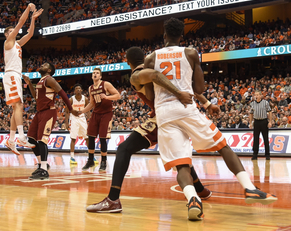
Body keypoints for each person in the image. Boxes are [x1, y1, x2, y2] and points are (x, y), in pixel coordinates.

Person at [144, 17, 277, 221]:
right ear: (182, 35)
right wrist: (202, 100)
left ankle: (193, 200)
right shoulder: (189, 53)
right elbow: (199, 89)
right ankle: (249, 188)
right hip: (186, 108)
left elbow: (151, 97)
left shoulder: (150, 58)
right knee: (222, 146)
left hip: (164, 113)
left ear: (163, 35)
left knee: (181, 164)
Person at [86, 47, 213, 213]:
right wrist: (207, 104)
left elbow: (154, 86)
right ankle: (201, 190)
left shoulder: (138, 75)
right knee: (180, 156)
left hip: (162, 116)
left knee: (124, 149)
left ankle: (113, 199)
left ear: (127, 62)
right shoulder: (157, 68)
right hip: (179, 114)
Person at [23, 62, 79, 180]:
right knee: (31, 139)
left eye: (45, 65)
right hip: (39, 113)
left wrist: (70, 109)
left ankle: (44, 171)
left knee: (42, 140)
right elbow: (35, 96)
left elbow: (62, 93)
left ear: (49, 70)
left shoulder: (50, 79)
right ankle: (41, 165)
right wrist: (29, 84)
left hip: (48, 112)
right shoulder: (40, 81)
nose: (42, 65)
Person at [3, 3, 43, 155]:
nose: (15, 31)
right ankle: (21, 137)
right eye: (12, 31)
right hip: (11, 74)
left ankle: (11, 140)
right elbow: (20, 23)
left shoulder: (18, 44)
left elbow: (30, 34)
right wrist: (27, 8)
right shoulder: (8, 42)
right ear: (7, 34)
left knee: (16, 108)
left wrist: (32, 19)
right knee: (18, 105)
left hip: (16, 76)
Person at [80, 68, 121, 171]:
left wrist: (107, 97)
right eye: (93, 73)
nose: (95, 74)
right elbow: (92, 103)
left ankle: (103, 161)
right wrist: (82, 111)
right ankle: (90, 161)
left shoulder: (106, 84)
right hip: (96, 113)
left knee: (103, 138)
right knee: (91, 136)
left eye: (97, 73)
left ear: (100, 76)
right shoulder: (90, 88)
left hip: (106, 114)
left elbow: (118, 95)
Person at [65, 83, 90, 165]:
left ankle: (91, 155)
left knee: (87, 137)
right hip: (74, 119)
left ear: (82, 90)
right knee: (73, 138)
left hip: (82, 118)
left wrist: (88, 118)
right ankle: (72, 157)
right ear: (74, 91)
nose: (78, 89)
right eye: (76, 88)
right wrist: (66, 122)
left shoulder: (85, 99)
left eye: (79, 88)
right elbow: (66, 111)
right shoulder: (71, 99)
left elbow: (88, 108)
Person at [249, 91, 272, 160]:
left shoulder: (265, 102)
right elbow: (251, 113)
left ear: (260, 95)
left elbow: (270, 112)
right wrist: (250, 123)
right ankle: (255, 155)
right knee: (255, 139)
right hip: (256, 122)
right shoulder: (252, 103)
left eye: (257, 95)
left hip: (264, 121)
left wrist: (270, 122)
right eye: (255, 95)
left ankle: (267, 155)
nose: (256, 96)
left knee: (265, 138)